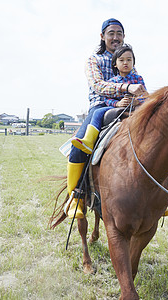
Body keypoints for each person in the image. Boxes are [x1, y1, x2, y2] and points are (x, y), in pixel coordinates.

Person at [64, 18, 147, 219]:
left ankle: (156, 192)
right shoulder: (94, 59)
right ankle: (75, 196)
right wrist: (125, 88)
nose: (115, 37)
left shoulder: (128, 60)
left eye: (119, 33)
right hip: (102, 107)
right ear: (102, 36)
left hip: (129, 107)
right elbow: (98, 85)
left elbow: (140, 87)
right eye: (111, 33)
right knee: (77, 148)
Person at [71, 44, 147, 155]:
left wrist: (137, 101)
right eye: (121, 60)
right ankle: (89, 139)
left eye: (129, 60)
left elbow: (145, 95)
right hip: (115, 107)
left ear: (133, 63)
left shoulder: (138, 78)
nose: (125, 63)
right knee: (98, 112)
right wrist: (117, 103)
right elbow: (107, 99)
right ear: (115, 64)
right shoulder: (112, 80)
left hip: (134, 108)